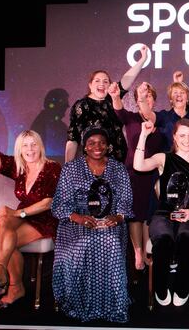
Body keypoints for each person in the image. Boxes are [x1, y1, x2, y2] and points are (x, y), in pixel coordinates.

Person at [0, 116, 61, 310]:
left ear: (40, 146)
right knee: (4, 219)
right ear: (19, 149)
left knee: (4, 236)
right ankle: (3, 275)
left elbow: (48, 203)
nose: (30, 149)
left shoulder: (52, 167)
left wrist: (20, 213)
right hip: (22, 216)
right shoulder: (17, 166)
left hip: (45, 219)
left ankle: (9, 283)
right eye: (25, 146)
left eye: (33, 145)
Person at [52, 127, 133, 323]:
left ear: (108, 146)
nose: (97, 146)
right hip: (76, 222)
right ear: (85, 147)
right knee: (83, 244)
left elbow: (126, 200)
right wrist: (78, 218)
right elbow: (60, 204)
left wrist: (118, 217)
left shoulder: (118, 169)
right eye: (92, 143)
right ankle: (80, 302)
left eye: (102, 143)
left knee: (110, 242)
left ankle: (113, 304)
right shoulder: (71, 169)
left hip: (110, 221)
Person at [133, 118, 189, 307]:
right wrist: (143, 135)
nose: (186, 140)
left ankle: (182, 287)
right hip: (164, 213)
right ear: (174, 137)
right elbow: (138, 166)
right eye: (182, 135)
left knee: (185, 239)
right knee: (164, 240)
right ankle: (160, 287)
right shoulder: (163, 158)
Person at [112, 81, 163, 272]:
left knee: (148, 215)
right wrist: (115, 96)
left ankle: (148, 251)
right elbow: (118, 109)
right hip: (133, 172)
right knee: (135, 215)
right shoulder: (131, 117)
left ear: (154, 101)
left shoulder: (157, 118)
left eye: (150, 96)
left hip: (153, 172)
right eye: (143, 96)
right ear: (136, 100)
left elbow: (148, 114)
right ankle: (138, 253)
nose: (146, 99)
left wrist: (142, 97)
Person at [65, 48, 148, 162]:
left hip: (118, 162)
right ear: (90, 85)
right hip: (94, 163)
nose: (102, 84)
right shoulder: (81, 106)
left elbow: (127, 79)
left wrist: (142, 59)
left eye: (105, 81)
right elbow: (73, 138)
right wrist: (67, 167)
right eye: (97, 81)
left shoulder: (113, 99)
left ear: (109, 86)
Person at [155, 77, 189, 151]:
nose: (179, 95)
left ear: (187, 98)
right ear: (171, 99)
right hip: (169, 157)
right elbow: (148, 116)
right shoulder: (163, 116)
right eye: (175, 92)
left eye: (182, 92)